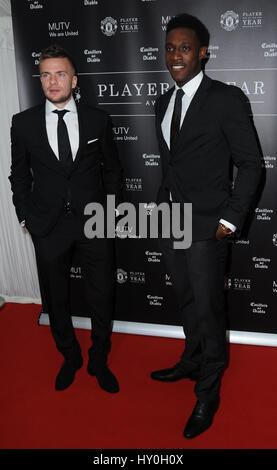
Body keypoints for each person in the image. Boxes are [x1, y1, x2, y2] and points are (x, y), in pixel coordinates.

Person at [151, 14, 261, 438]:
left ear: (202, 53)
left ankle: (208, 392)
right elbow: (171, 165)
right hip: (171, 220)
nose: (175, 55)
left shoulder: (226, 98)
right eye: (170, 48)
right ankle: (191, 358)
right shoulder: (162, 101)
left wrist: (230, 219)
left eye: (184, 48)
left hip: (207, 226)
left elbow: (251, 164)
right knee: (186, 300)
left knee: (210, 309)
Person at [9, 44, 122, 393]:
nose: (52, 81)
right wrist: (26, 218)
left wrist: (111, 212)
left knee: (102, 294)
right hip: (49, 225)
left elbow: (113, 170)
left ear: (74, 80)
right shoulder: (23, 123)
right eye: (46, 74)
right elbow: (19, 176)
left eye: (60, 74)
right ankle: (69, 355)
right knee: (55, 298)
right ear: (40, 79)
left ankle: (99, 358)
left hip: (94, 222)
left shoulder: (98, 119)